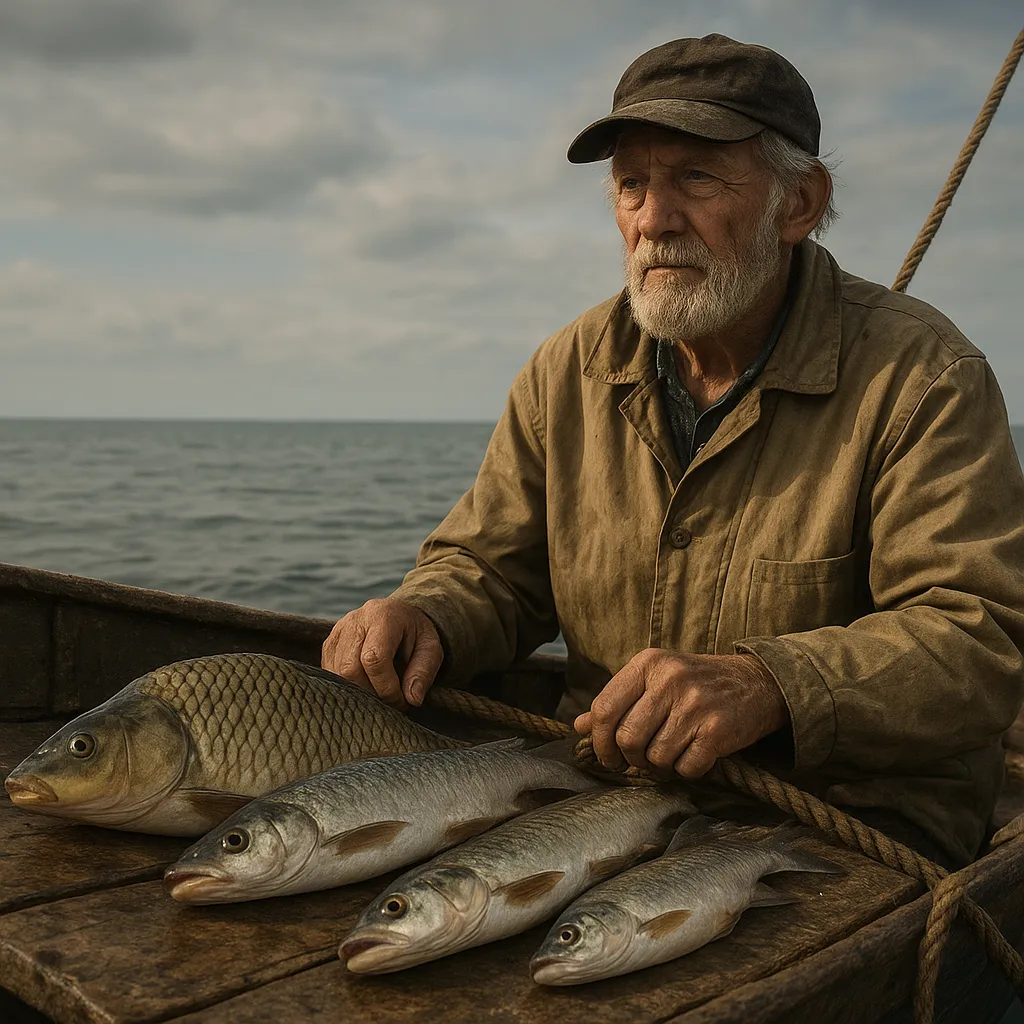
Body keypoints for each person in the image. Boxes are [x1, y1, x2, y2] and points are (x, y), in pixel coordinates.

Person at [322, 34, 1024, 871]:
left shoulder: (924, 378)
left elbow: (978, 640)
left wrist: (770, 684)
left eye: (695, 177)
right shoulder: (566, 368)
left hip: (852, 820)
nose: (653, 219)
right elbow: (492, 571)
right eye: (631, 184)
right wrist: (425, 614)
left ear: (798, 203)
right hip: (611, 796)